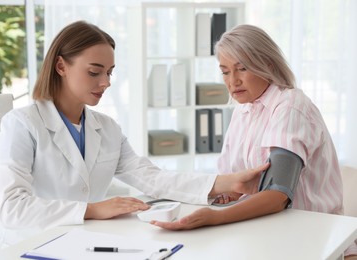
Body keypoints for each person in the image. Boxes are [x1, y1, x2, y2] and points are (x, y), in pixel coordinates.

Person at [0, 21, 270, 259]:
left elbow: (153, 179)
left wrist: (227, 182)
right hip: (18, 249)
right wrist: (93, 209)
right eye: (94, 72)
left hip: (73, 246)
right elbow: (13, 208)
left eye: (109, 73)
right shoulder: (21, 124)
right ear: (61, 66)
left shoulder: (107, 128)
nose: (105, 83)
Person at [150, 24, 357, 258]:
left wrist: (216, 217)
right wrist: (230, 193)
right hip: (261, 232)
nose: (233, 81)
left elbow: (277, 196)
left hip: (308, 238)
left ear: (267, 65)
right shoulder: (244, 110)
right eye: (225, 71)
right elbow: (232, 181)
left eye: (242, 69)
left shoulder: (289, 106)